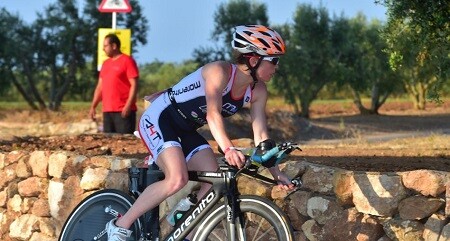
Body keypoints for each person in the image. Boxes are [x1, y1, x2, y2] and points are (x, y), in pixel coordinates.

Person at [105, 25, 294, 240]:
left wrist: (278, 175)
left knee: (211, 177)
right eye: (274, 60)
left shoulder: (258, 90)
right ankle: (121, 225)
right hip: (161, 118)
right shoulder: (220, 72)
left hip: (185, 129)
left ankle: (184, 232)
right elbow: (213, 114)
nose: (277, 67)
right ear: (253, 60)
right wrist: (229, 148)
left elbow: (261, 136)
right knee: (177, 179)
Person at [89, 33, 139, 134]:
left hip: (123, 111)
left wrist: (128, 105)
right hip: (107, 110)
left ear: (114, 46)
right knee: (109, 142)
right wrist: (93, 106)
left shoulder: (127, 61)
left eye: (105, 46)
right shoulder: (105, 64)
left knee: (124, 143)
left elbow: (134, 84)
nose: (103, 49)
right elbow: (100, 87)